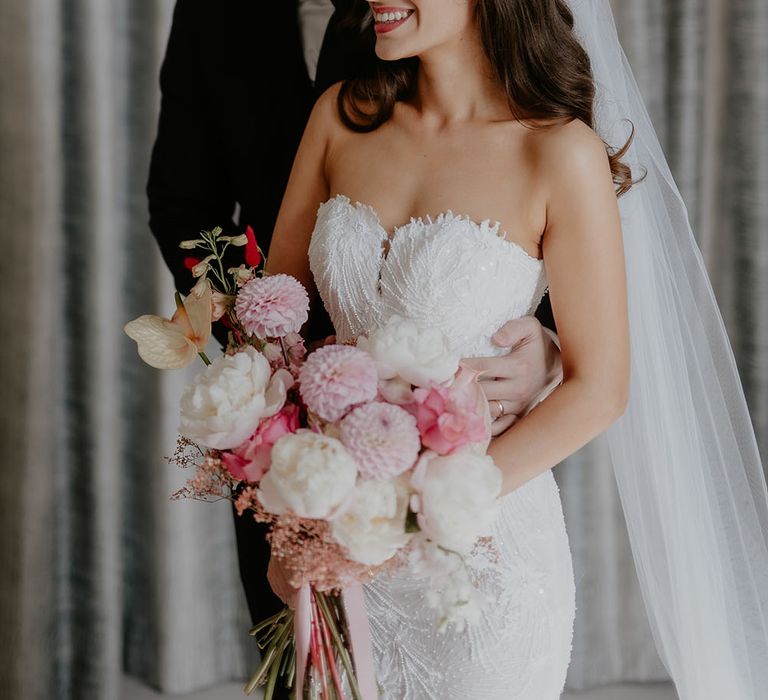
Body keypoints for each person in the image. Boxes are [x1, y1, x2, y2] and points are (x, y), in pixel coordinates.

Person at [264, 1, 768, 699]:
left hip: (483, 561)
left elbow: (601, 387)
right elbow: (277, 330)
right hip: (339, 557)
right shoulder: (340, 119)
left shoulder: (558, 151)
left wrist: (427, 509)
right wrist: (292, 520)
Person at [145, 0, 565, 683]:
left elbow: (540, 224)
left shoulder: (461, 43)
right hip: (295, 443)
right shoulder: (219, 16)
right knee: (305, 669)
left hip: (471, 449)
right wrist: (269, 375)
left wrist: (547, 341)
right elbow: (181, 201)